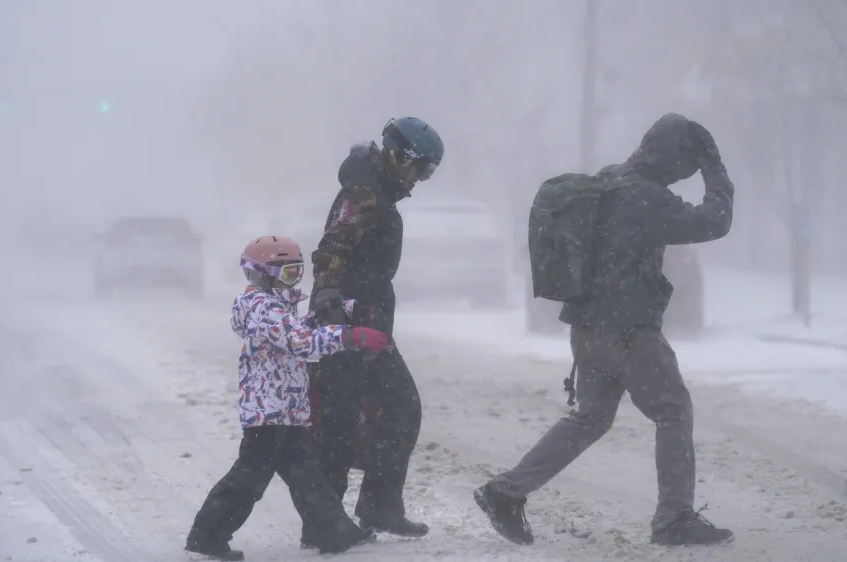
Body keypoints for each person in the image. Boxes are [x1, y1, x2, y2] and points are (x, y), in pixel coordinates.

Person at [474, 113, 736, 547]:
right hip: (629, 329)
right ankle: (674, 519)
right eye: (686, 166)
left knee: (590, 418)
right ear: (675, 160)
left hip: (589, 327)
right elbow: (715, 221)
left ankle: (506, 491)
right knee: (673, 410)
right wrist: (715, 169)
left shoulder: (608, 181)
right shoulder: (646, 197)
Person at [185, 235, 390, 560]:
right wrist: (348, 336)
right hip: (268, 412)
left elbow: (295, 330)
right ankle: (208, 534)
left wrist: (330, 313)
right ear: (263, 274)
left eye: (297, 272)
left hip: (287, 409)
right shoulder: (262, 307)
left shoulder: (275, 307)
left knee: (306, 473)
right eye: (287, 274)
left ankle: (335, 533)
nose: (293, 280)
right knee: (249, 478)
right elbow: (298, 342)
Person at [305, 117, 444, 544]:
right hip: (344, 324)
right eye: (420, 168)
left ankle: (379, 505)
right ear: (398, 156)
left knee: (401, 408)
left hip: (372, 326)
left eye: (428, 172)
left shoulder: (379, 192)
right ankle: (323, 525)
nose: (420, 179)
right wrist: (329, 301)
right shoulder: (363, 192)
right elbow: (332, 247)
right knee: (338, 423)